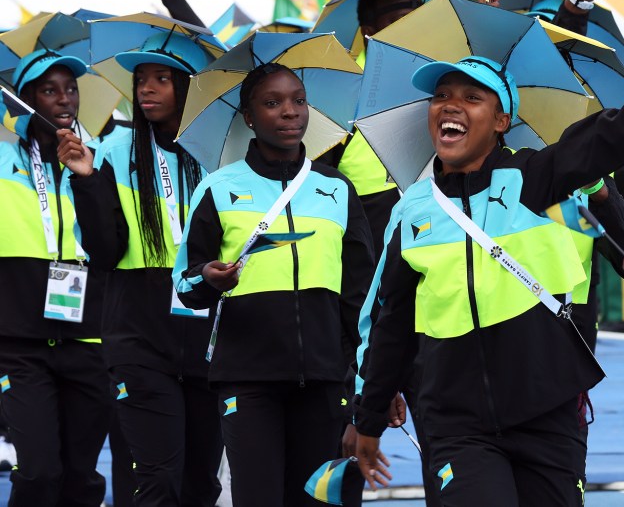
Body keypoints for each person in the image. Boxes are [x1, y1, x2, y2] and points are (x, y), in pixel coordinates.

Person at [353, 0, 624, 505]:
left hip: (547, 412)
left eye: (471, 97)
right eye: (441, 96)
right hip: (454, 421)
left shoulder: (536, 176)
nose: (450, 105)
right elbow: (393, 321)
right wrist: (368, 417)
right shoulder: (413, 210)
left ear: (502, 121)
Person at [173, 62, 375, 507]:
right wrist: (209, 278)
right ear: (248, 116)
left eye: (298, 101)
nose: (290, 112)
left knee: (325, 500)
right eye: (273, 103)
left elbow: (362, 298)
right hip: (247, 381)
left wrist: (362, 379)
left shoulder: (338, 189)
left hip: (325, 382)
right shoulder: (218, 187)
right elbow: (184, 283)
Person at [57, 31, 223, 506]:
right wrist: (86, 180)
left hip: (207, 337)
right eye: (142, 79)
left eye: (162, 79)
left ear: (188, 86)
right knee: (156, 477)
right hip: (138, 334)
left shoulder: (218, 159)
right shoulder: (111, 152)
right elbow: (105, 252)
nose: (147, 88)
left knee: (200, 482)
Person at [0, 50, 111, 506]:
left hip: (88, 343)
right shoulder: (4, 158)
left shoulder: (100, 158)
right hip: (19, 344)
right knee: (40, 471)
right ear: (25, 102)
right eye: (49, 90)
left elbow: (109, 247)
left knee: (81, 477)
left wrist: (85, 178)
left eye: (70, 89)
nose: (64, 100)